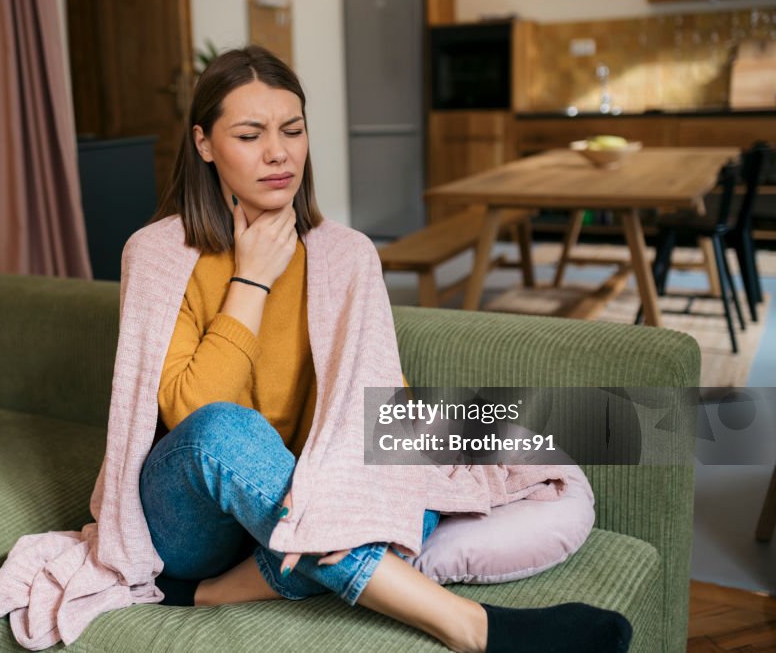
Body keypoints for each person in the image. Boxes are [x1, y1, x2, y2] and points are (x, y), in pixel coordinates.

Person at [135, 45, 633, 653]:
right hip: (196, 514)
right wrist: (252, 279)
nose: (279, 152)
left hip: (291, 497)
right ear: (205, 144)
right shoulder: (159, 254)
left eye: (293, 130)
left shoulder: (345, 254)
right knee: (224, 428)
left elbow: (374, 409)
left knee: (409, 470)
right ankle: (470, 626)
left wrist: (346, 489)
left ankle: (211, 592)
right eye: (249, 134)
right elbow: (190, 414)